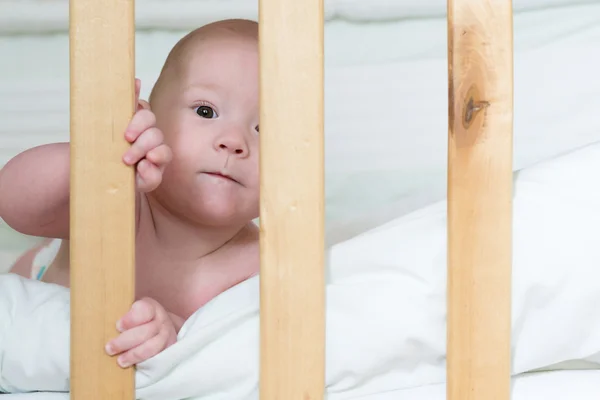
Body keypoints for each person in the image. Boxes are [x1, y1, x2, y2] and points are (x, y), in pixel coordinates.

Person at [0, 19, 260, 369]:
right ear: (145, 119)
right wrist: (95, 158)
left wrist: (174, 331)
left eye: (266, 128)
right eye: (205, 111)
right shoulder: (118, 195)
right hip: (40, 283)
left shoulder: (260, 264)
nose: (234, 141)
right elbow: (14, 203)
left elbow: (230, 349)